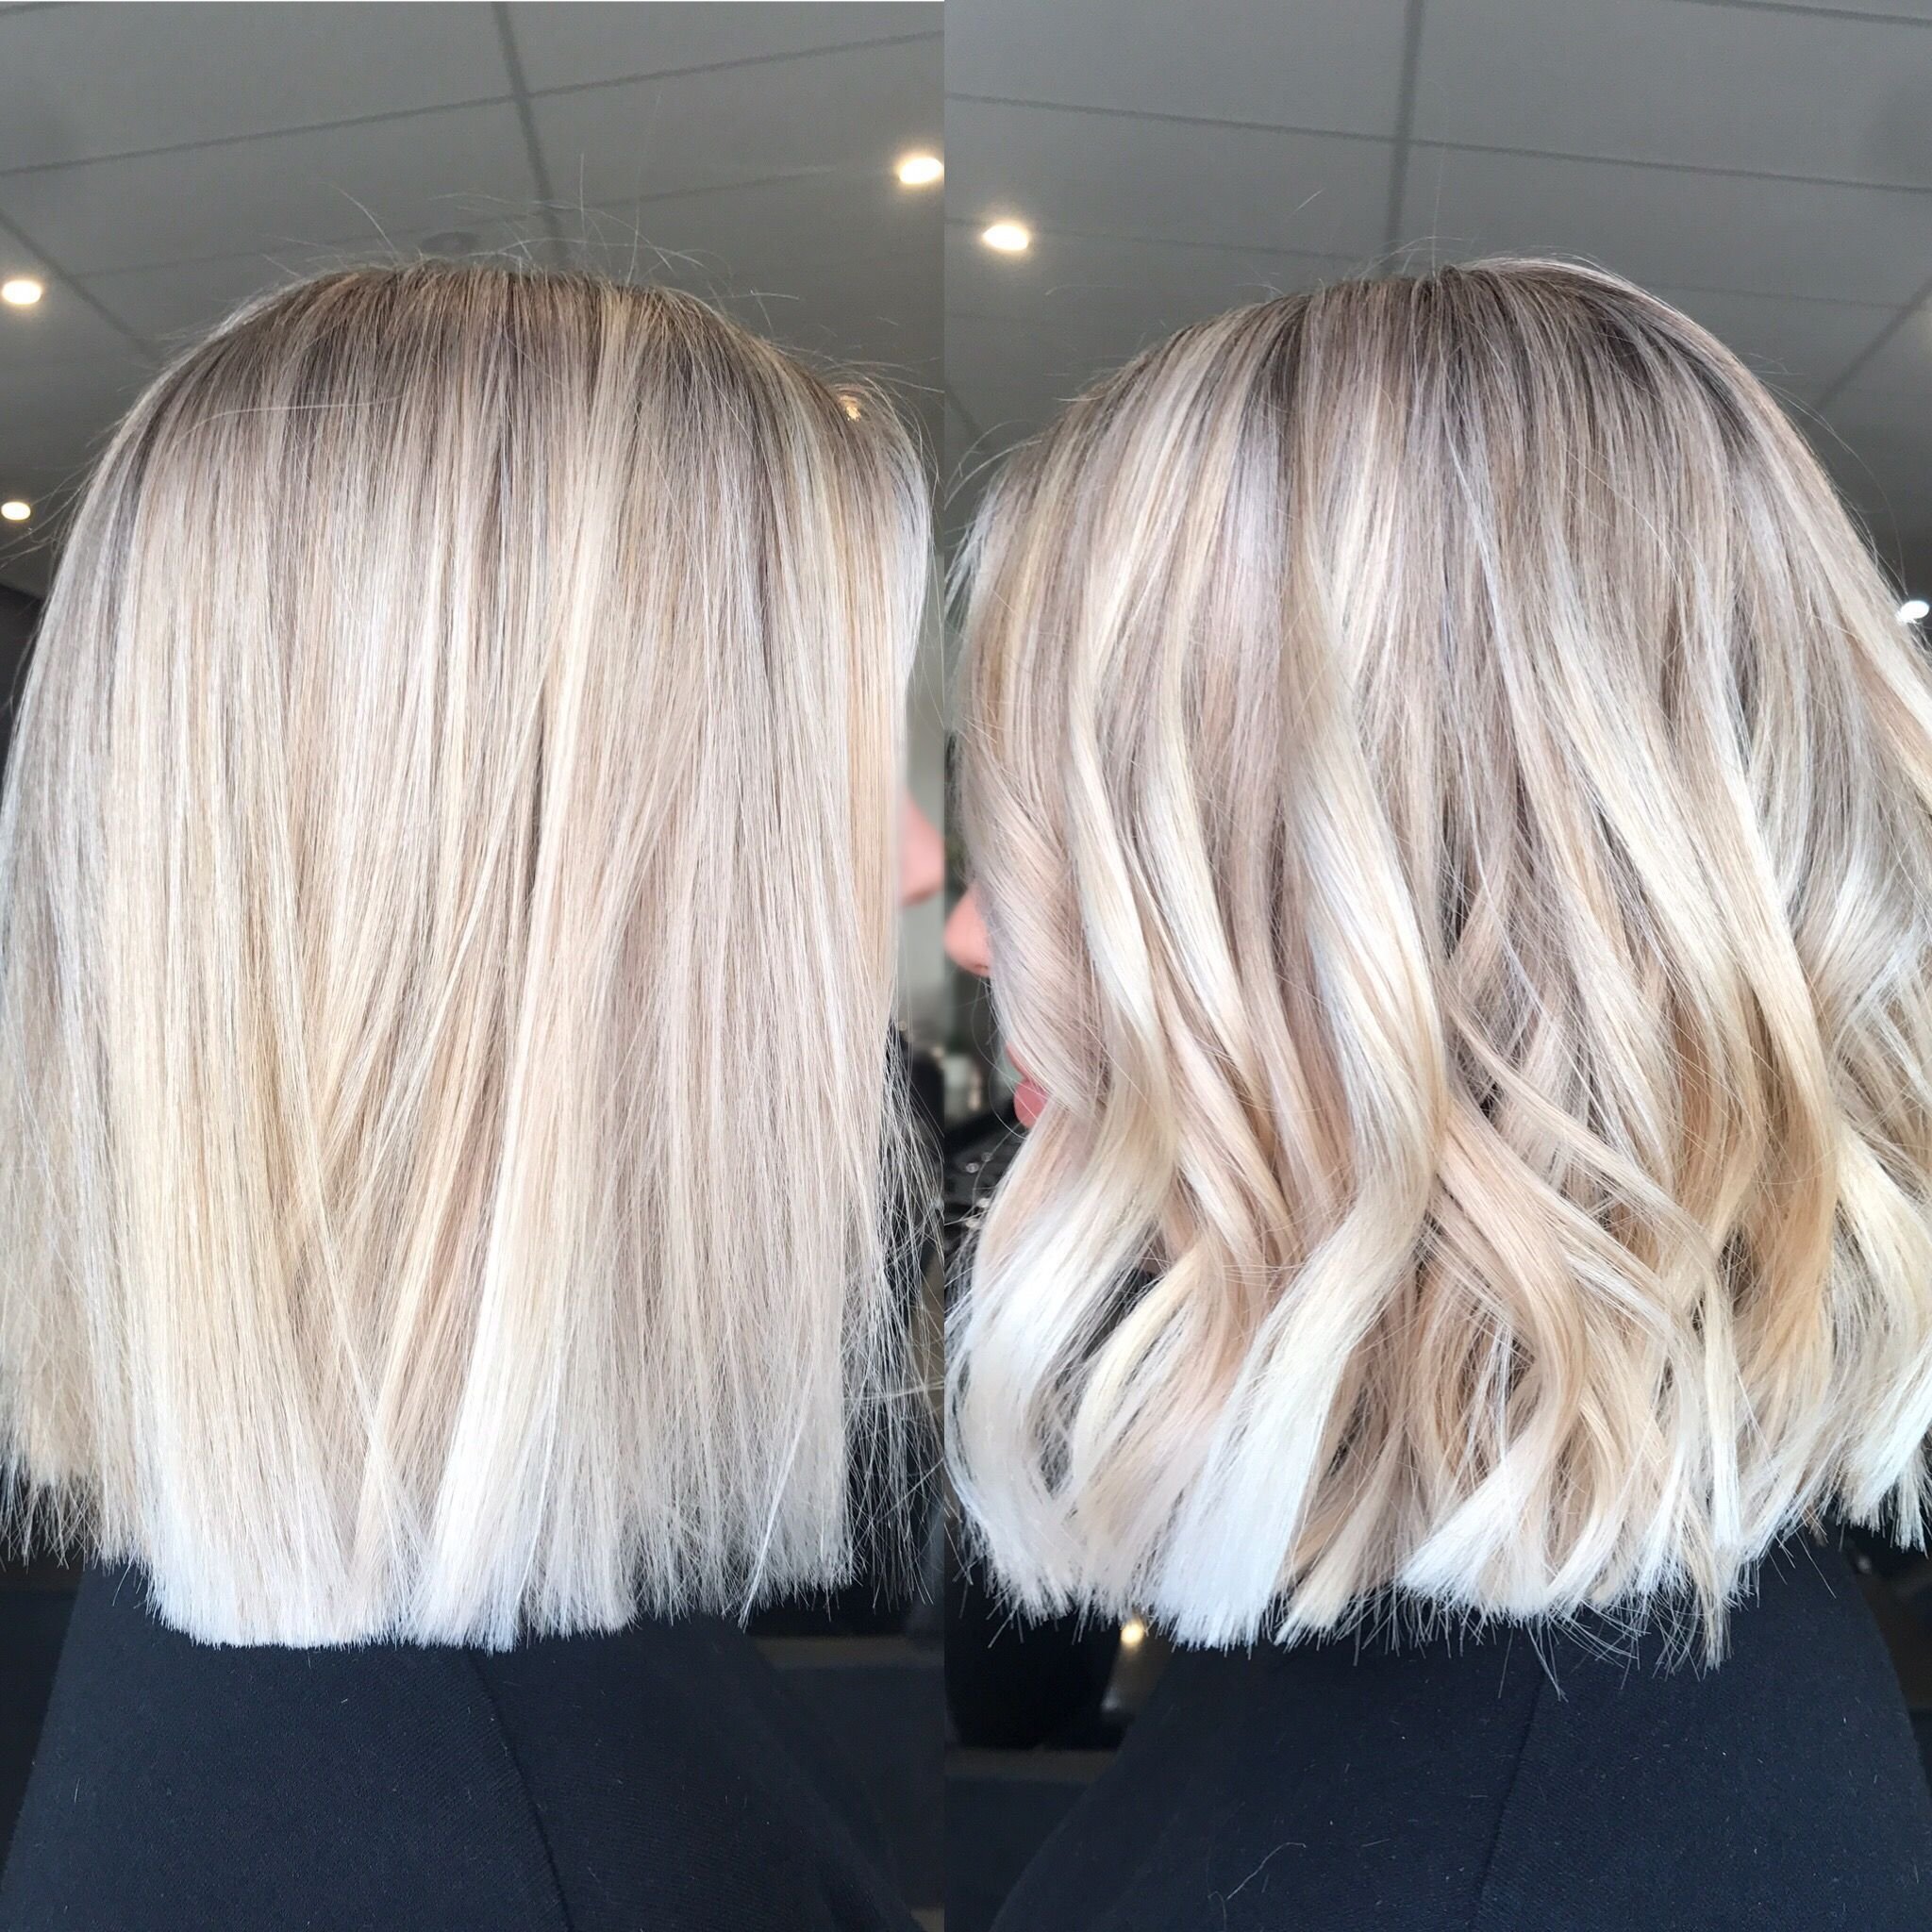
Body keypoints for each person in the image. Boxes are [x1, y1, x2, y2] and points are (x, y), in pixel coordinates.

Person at [946, 258, 1932, 1928]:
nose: (978, 934)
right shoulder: (1547, 1669)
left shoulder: (1507, 1833)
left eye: (1078, 860)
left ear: (1378, 956)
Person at [0, 261, 932, 1929]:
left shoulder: (308, 1674)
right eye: (812, 768)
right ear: (524, 903)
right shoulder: (499, 1828)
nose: (917, 863)